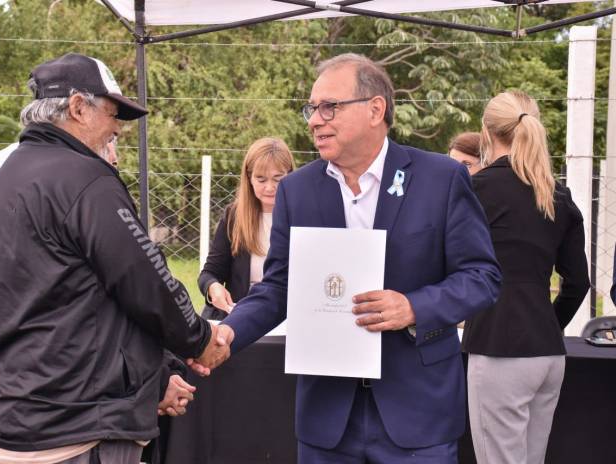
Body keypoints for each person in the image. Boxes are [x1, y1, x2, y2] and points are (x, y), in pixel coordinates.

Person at [190, 53, 501, 463]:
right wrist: (230, 331)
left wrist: (413, 307)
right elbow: (279, 287)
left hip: (418, 415)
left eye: (329, 107)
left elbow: (481, 277)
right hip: (327, 419)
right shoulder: (297, 190)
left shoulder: (440, 178)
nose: (314, 121)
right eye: (312, 109)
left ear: (375, 109)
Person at [0, 53, 228, 464]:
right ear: (78, 107)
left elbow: (55, 298)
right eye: (112, 114)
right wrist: (199, 339)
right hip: (76, 427)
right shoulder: (88, 180)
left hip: (7, 420)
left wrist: (158, 377)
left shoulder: (4, 178)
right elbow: (146, 281)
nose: (117, 128)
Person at [462, 90, 590, 464]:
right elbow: (578, 283)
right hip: (547, 352)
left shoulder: (477, 188)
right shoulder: (558, 194)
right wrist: (545, 323)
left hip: (498, 346)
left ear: (486, 132)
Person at [198, 137, 295, 320]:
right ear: (249, 178)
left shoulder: (303, 216)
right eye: (261, 179)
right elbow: (209, 273)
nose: (270, 187)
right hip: (241, 317)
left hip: (287, 318)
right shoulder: (234, 216)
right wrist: (213, 287)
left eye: (278, 179)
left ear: (290, 175)